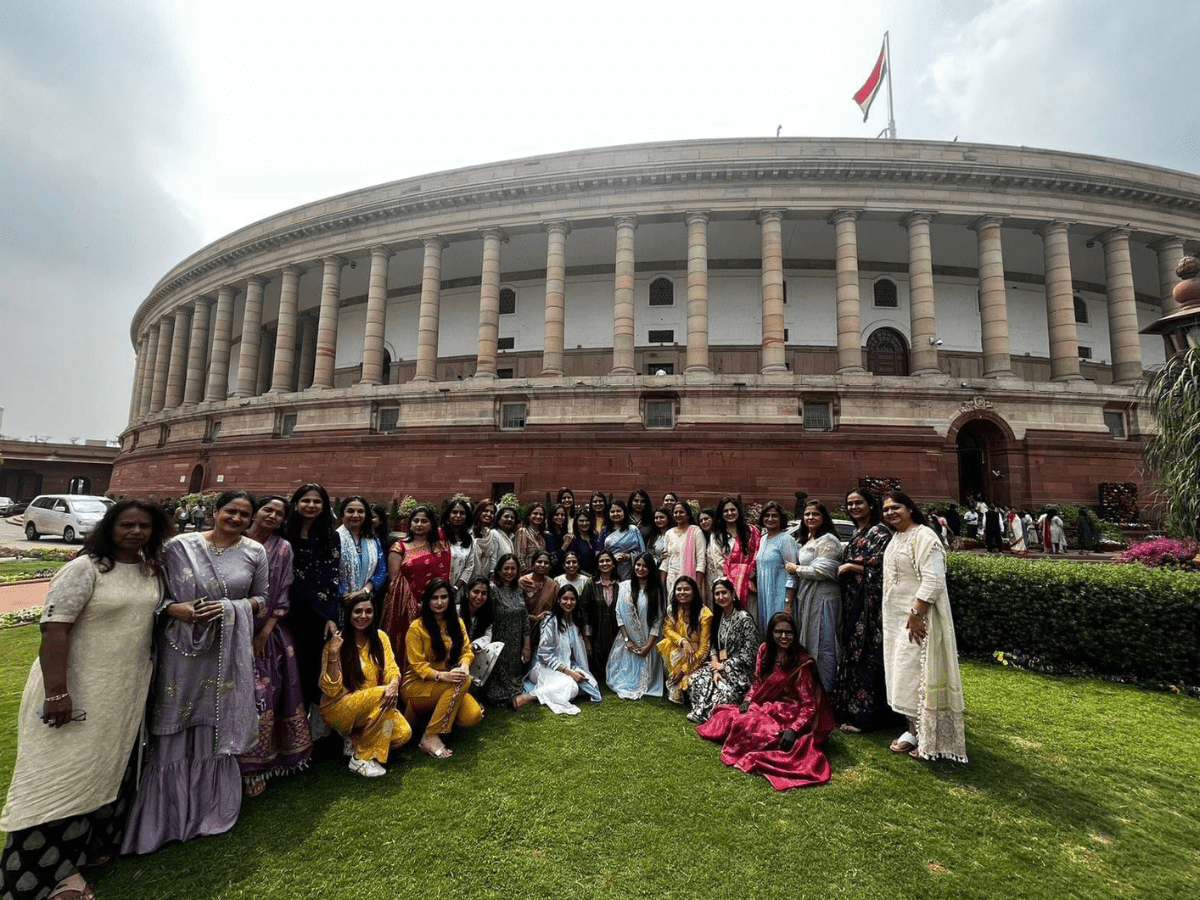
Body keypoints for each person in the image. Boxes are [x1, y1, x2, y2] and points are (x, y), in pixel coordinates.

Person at [0, 500, 170, 900]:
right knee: (59, 773)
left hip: (123, 690)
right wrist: (58, 692)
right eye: (127, 524)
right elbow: (54, 630)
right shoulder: (85, 568)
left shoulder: (149, 571)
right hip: (74, 690)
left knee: (105, 768)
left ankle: (82, 856)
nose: (136, 532)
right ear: (110, 527)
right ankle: (40, 875)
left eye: (144, 526)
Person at [122, 489, 266, 854]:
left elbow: (261, 599)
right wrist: (175, 610)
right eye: (231, 511)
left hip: (225, 649)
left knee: (214, 720)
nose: (236, 519)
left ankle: (210, 807)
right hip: (180, 650)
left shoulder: (254, 551)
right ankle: (164, 815)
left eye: (244, 515)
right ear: (215, 512)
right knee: (176, 719)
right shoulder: (178, 547)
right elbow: (154, 595)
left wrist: (231, 608)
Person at [696, 612, 835, 791]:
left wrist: (794, 730)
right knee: (730, 716)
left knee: (756, 728)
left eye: (789, 633)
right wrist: (748, 699)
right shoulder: (764, 650)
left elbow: (809, 705)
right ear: (771, 632)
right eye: (779, 632)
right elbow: (757, 681)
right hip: (766, 705)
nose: (784, 637)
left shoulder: (801, 663)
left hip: (790, 712)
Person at [880, 491, 968, 763]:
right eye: (886, 510)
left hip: (919, 620)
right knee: (905, 677)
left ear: (909, 508)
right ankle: (912, 730)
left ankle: (931, 738)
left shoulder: (924, 536)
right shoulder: (897, 537)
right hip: (898, 621)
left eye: (896, 507)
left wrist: (917, 613)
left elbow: (933, 580)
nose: (891, 513)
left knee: (920, 674)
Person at [239, 495, 313, 797]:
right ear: (255, 512)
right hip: (226, 628)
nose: (272, 515)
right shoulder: (233, 541)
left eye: (279, 513)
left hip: (265, 633)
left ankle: (255, 766)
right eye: (267, 509)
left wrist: (264, 634)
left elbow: (282, 592)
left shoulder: (282, 548)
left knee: (263, 697)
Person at [319, 596, 410, 777]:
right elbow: (330, 689)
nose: (363, 616)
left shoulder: (380, 637)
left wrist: (393, 683)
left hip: (373, 704)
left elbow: (392, 668)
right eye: (357, 611)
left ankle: (355, 739)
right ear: (349, 614)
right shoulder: (336, 642)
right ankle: (360, 758)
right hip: (338, 706)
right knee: (383, 694)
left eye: (368, 611)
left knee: (403, 733)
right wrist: (334, 654)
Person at [829, 489, 893, 733]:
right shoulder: (858, 532)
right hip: (854, 604)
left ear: (870, 505)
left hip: (870, 609)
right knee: (852, 655)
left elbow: (884, 568)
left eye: (859, 503)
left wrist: (850, 567)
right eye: (850, 503)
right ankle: (848, 710)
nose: (854, 507)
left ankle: (866, 718)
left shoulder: (880, 532)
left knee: (865, 657)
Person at [401, 579, 485, 758]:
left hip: (447, 683)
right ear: (427, 601)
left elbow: (466, 651)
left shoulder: (457, 623)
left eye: (444, 597)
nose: (439, 602)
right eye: (434, 598)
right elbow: (418, 666)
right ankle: (430, 736)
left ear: (450, 599)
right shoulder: (416, 628)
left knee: (473, 716)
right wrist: (443, 676)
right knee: (462, 681)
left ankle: (437, 716)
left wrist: (464, 665)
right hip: (416, 686)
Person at [282, 483, 341, 715]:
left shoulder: (330, 536)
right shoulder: (283, 534)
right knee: (285, 669)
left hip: (317, 615)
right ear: (295, 504)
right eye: (306, 500)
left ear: (324, 507)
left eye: (317, 501)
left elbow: (332, 578)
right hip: (286, 612)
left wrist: (331, 617)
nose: (311, 505)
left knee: (309, 671)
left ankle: (304, 731)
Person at [784, 500, 842, 693]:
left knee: (824, 643)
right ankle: (811, 690)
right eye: (807, 514)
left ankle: (827, 691)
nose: (810, 518)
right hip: (808, 597)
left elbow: (825, 570)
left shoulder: (828, 540)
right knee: (809, 643)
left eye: (815, 514)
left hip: (824, 598)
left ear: (823, 517)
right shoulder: (808, 539)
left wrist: (796, 569)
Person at [381, 504, 450, 666]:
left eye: (424, 521)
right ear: (409, 524)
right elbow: (395, 582)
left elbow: (443, 578)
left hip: (435, 606)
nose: (419, 524)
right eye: (416, 521)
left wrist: (429, 604)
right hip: (404, 608)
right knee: (405, 645)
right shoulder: (399, 547)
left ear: (432, 524)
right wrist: (414, 605)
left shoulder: (440, 546)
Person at [686, 577, 761, 724]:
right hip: (719, 667)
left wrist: (725, 666)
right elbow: (713, 646)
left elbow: (750, 652)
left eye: (724, 592)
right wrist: (715, 668)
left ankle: (707, 713)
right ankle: (702, 711)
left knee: (722, 695)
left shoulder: (744, 618)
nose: (721, 597)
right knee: (694, 679)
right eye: (717, 593)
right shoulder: (719, 617)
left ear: (733, 594)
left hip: (740, 671)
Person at [523, 584, 602, 715]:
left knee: (588, 684)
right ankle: (530, 697)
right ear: (558, 600)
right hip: (543, 667)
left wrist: (574, 670)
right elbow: (544, 654)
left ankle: (542, 692)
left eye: (572, 599)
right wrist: (569, 672)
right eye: (565, 599)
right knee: (571, 687)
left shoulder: (574, 622)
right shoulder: (550, 621)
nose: (569, 602)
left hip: (566, 665)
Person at [605, 552, 666, 699]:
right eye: (638, 565)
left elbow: (657, 621)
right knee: (620, 680)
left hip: (648, 640)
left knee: (645, 681)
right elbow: (619, 614)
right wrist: (627, 640)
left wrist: (648, 646)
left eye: (645, 566)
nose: (640, 568)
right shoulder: (625, 586)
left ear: (651, 569)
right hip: (627, 639)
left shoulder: (656, 591)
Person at [485, 555, 535, 709]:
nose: (509, 572)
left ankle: (518, 697)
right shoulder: (492, 590)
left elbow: (525, 619)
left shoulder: (518, 590)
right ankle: (513, 698)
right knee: (495, 694)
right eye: (506, 568)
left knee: (516, 681)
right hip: (498, 643)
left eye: (513, 568)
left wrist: (526, 646)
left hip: (515, 644)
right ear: (499, 570)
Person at [656, 575, 712, 704]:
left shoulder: (705, 614)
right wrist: (683, 641)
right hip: (681, 650)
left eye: (686, 589)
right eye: (679, 589)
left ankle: (682, 684)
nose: (682, 592)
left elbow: (704, 649)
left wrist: (684, 670)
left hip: (697, 656)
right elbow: (667, 630)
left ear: (694, 592)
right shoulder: (673, 609)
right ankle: (675, 683)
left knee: (688, 683)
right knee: (667, 643)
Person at [708, 496, 760, 612]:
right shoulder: (717, 535)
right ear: (721, 514)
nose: (729, 513)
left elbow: (758, 552)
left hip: (750, 583)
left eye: (733, 510)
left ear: (738, 511)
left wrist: (752, 571)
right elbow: (718, 561)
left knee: (751, 615)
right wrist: (738, 575)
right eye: (725, 511)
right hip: (729, 587)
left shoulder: (751, 531)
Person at [337, 495, 387, 613]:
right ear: (342, 515)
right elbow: (328, 572)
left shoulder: (374, 540)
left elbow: (381, 571)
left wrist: (364, 591)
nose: (355, 515)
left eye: (360, 511)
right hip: (339, 601)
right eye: (350, 511)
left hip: (367, 601)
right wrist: (344, 594)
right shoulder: (332, 539)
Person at [755, 501, 797, 627]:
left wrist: (787, 603)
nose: (770, 519)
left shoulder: (786, 540)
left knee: (780, 631)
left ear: (781, 519)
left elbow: (792, 573)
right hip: (764, 595)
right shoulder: (763, 539)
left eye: (774, 516)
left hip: (779, 597)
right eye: (767, 515)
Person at [460, 576, 504, 694]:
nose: (479, 597)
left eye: (483, 593)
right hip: (456, 654)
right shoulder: (456, 611)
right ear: (467, 592)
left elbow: (487, 637)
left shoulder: (486, 614)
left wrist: (473, 646)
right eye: (476, 592)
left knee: (493, 649)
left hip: (473, 653)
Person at [554, 550, 597, 655]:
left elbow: (588, 607)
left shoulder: (586, 581)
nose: (571, 565)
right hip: (562, 622)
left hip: (581, 621)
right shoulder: (557, 581)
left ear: (578, 565)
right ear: (563, 565)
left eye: (574, 562)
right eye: (568, 562)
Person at [662, 501, 707, 599]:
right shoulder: (669, 533)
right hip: (671, 580)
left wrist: (697, 585)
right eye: (675, 512)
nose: (678, 514)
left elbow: (701, 559)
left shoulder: (696, 531)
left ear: (688, 514)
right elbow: (665, 560)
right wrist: (662, 583)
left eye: (681, 512)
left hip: (691, 580)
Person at [589, 549, 622, 681]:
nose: (605, 563)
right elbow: (585, 610)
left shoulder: (621, 584)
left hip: (616, 627)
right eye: (601, 561)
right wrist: (587, 636)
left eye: (608, 560)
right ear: (597, 565)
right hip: (597, 628)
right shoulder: (591, 584)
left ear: (613, 564)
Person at [601, 499, 646, 581]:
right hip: (610, 571)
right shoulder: (604, 531)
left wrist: (628, 556)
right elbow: (600, 554)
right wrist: (612, 558)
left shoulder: (633, 530)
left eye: (618, 511)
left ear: (624, 512)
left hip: (631, 572)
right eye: (612, 511)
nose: (615, 514)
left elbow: (642, 552)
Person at [442, 497, 477, 594]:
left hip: (457, 591)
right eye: (454, 512)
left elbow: (469, 566)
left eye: (462, 513)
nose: (458, 515)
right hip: (438, 589)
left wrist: (456, 588)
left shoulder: (469, 539)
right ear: (448, 514)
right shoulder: (439, 536)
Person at [515, 503, 548, 572]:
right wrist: (527, 575)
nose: (538, 516)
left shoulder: (541, 535)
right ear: (529, 515)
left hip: (539, 574)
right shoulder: (523, 532)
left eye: (541, 514)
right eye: (535, 513)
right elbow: (519, 558)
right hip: (527, 575)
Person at [567, 510, 600, 576]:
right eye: (581, 521)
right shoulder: (573, 540)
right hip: (581, 577)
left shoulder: (596, 538)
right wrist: (588, 576)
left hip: (598, 576)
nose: (584, 523)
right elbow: (573, 563)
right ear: (576, 522)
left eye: (587, 520)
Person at [544, 504, 572, 575]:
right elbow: (553, 561)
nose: (560, 517)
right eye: (556, 514)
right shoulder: (548, 534)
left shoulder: (564, 533)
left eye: (562, 515)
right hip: (554, 574)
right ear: (551, 516)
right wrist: (565, 545)